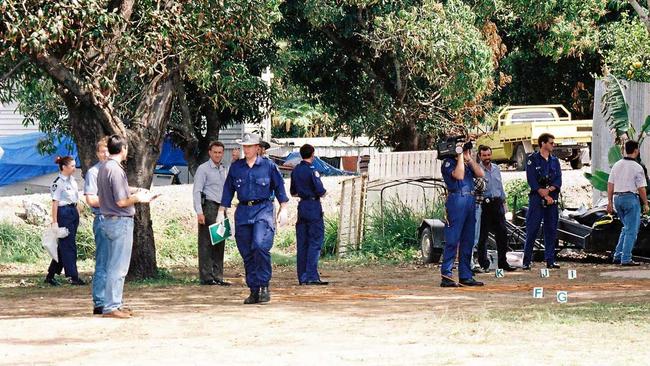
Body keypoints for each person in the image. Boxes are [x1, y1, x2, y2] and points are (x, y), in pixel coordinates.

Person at [218, 133, 289, 304]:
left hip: (263, 210)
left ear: (258, 147)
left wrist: (283, 208)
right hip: (243, 212)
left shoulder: (268, 166)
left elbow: (279, 188)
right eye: (244, 146)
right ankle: (254, 290)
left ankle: (264, 285)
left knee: (259, 246)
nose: (246, 149)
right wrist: (221, 212)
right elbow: (228, 190)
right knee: (247, 252)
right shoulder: (237, 168)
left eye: (249, 146)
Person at [98, 134, 154, 318]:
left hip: (108, 219)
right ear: (122, 149)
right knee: (118, 267)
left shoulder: (105, 167)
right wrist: (139, 198)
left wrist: (135, 190)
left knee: (111, 265)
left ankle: (114, 303)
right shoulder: (116, 169)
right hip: (120, 220)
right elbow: (122, 201)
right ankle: (112, 307)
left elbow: (117, 191)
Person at [440, 142, 485, 287]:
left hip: (470, 200)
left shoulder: (465, 162)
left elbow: (480, 174)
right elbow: (458, 176)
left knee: (468, 240)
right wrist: (459, 156)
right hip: (457, 199)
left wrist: (469, 158)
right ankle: (446, 275)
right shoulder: (448, 163)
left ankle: (465, 275)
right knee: (453, 239)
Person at [193, 141, 231, 286]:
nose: (217, 155)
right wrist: (199, 211)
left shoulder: (223, 169)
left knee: (220, 242)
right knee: (206, 243)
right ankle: (206, 277)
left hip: (221, 208)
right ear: (210, 152)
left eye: (220, 152)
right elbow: (197, 190)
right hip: (208, 206)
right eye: (215, 152)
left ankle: (218, 276)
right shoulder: (203, 169)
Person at [523, 133, 562, 270]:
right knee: (532, 229)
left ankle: (550, 259)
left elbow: (558, 180)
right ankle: (527, 261)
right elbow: (532, 179)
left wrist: (550, 191)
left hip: (552, 198)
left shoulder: (555, 161)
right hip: (536, 198)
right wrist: (543, 194)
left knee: (551, 229)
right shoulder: (532, 159)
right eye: (551, 143)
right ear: (543, 143)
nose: (553, 145)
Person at [45, 156, 86, 286]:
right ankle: (73, 276)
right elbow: (55, 203)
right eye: (72, 166)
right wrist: (55, 221)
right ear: (64, 167)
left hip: (73, 212)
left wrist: (78, 213)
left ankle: (51, 274)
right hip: (64, 213)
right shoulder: (58, 182)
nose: (74, 168)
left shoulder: (72, 180)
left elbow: (75, 199)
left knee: (65, 245)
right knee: (69, 246)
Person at [290, 144, 328, 285]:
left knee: (302, 243)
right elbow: (320, 190)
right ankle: (312, 275)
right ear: (312, 154)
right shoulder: (312, 170)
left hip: (302, 206)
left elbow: (293, 192)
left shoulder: (296, 170)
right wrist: (323, 193)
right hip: (313, 206)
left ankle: (303, 277)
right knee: (315, 241)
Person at [607, 140, 648, 266]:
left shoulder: (617, 165)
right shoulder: (637, 167)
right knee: (632, 231)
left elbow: (610, 184)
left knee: (625, 228)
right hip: (630, 199)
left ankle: (618, 255)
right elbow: (641, 188)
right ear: (636, 151)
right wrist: (645, 203)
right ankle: (626, 258)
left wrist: (609, 202)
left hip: (617, 199)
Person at [476, 146, 516, 272]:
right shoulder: (477, 170)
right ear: (480, 156)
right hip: (485, 204)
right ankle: (484, 263)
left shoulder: (496, 168)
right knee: (483, 235)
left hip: (497, 203)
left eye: (488, 155)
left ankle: (503, 262)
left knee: (502, 234)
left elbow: (500, 186)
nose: (487, 158)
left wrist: (504, 203)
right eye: (484, 155)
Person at [84, 137, 110, 314]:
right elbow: (91, 199)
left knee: (115, 264)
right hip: (103, 219)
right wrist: (112, 201)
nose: (106, 154)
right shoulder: (94, 173)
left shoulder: (115, 170)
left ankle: (113, 301)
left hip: (117, 219)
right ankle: (99, 302)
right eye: (102, 151)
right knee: (103, 262)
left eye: (108, 150)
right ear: (97, 153)